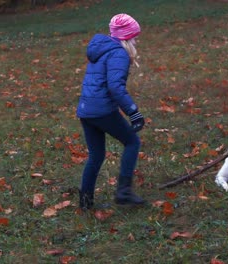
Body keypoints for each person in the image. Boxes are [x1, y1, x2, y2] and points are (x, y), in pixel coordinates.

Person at [76, 13, 146, 210]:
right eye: (134, 37)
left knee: (96, 155)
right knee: (132, 142)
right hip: (102, 110)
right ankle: (124, 191)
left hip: (86, 109)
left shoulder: (101, 49)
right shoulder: (118, 53)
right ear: (126, 37)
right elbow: (115, 87)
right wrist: (133, 111)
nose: (136, 41)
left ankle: (85, 202)